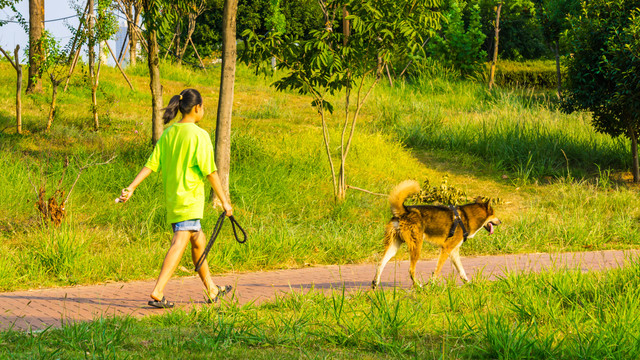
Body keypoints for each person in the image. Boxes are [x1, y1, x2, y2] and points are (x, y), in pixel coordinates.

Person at [118, 88, 233, 308]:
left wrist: (132, 187)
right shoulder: (200, 135)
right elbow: (211, 172)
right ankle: (158, 291)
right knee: (180, 242)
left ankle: (211, 289)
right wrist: (225, 202)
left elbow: (151, 164)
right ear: (197, 108)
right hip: (190, 199)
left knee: (198, 241)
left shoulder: (169, 133)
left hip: (174, 199)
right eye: (203, 106)